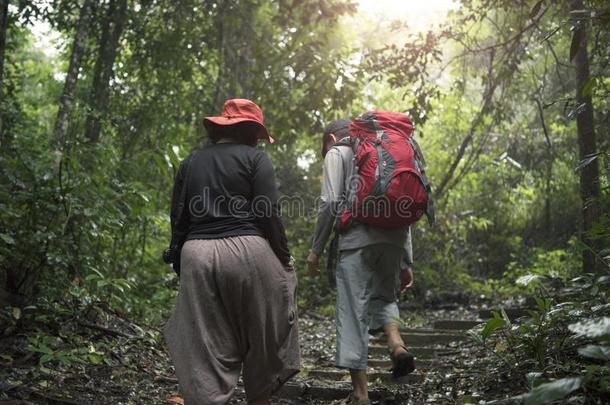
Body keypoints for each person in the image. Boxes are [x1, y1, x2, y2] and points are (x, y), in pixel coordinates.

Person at [164, 99, 300, 405]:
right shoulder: (256, 159)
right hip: (249, 251)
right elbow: (267, 212)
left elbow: (179, 216)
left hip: (196, 254)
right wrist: (283, 256)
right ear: (252, 132)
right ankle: (260, 396)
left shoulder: (191, 161)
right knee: (265, 323)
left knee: (205, 342)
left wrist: (179, 259)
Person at [307, 119, 415, 405]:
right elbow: (404, 208)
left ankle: (360, 394)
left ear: (330, 138)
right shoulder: (384, 149)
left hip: (357, 240)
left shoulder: (337, 153)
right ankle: (396, 344)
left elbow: (330, 203)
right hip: (394, 238)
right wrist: (406, 262)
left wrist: (316, 249)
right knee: (383, 296)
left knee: (354, 313)